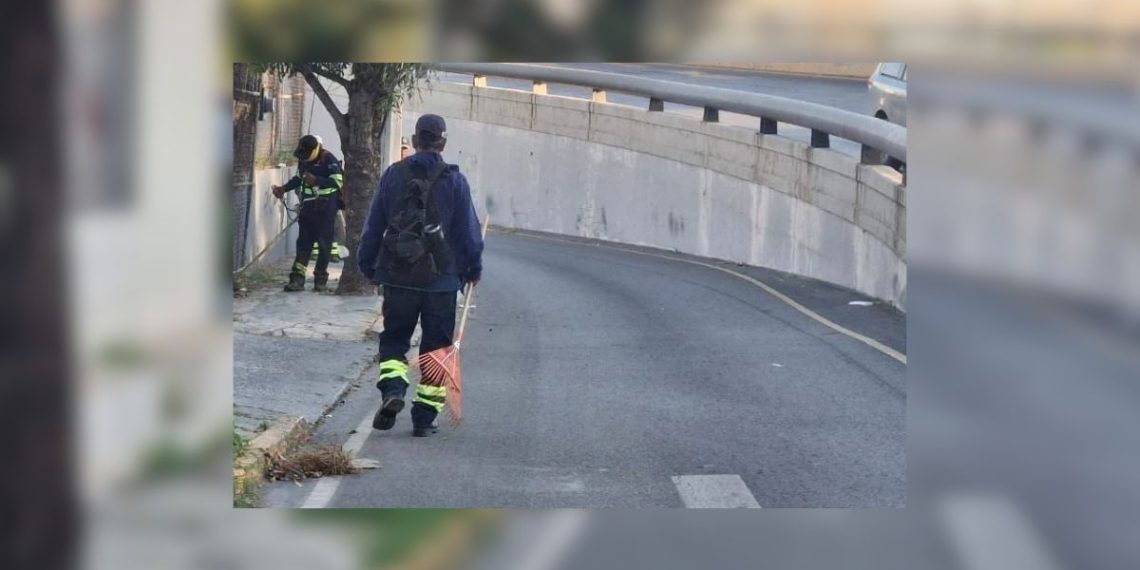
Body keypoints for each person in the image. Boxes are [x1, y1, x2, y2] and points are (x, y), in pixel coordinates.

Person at [358, 114, 484, 437]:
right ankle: (425, 418)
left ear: (414, 141)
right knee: (436, 349)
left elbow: (374, 226)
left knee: (395, 339)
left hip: (398, 277)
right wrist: (473, 269)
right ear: (442, 143)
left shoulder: (392, 176)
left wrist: (367, 266)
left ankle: (393, 390)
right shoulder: (455, 182)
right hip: (441, 283)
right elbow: (469, 234)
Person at [272, 134, 343, 292]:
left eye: (306, 155)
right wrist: (283, 189)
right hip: (308, 209)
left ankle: (320, 280)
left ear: (315, 149)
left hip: (325, 209)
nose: (303, 159)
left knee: (324, 246)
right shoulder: (303, 160)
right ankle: (297, 280)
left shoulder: (328, 160)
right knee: (303, 244)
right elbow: (298, 178)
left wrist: (317, 180)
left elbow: (337, 182)